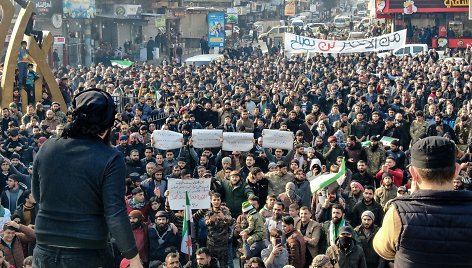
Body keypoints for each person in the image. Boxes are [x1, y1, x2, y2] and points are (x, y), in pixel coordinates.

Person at [32, 89, 142, 267]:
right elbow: (115, 214)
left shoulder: (48, 146)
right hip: (87, 254)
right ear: (106, 125)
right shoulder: (111, 157)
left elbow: (37, 195)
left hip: (44, 249)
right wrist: (134, 260)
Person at [374, 136, 472, 267]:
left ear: (413, 174)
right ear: (457, 171)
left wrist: (412, 200)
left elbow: (383, 250)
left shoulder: (398, 213)